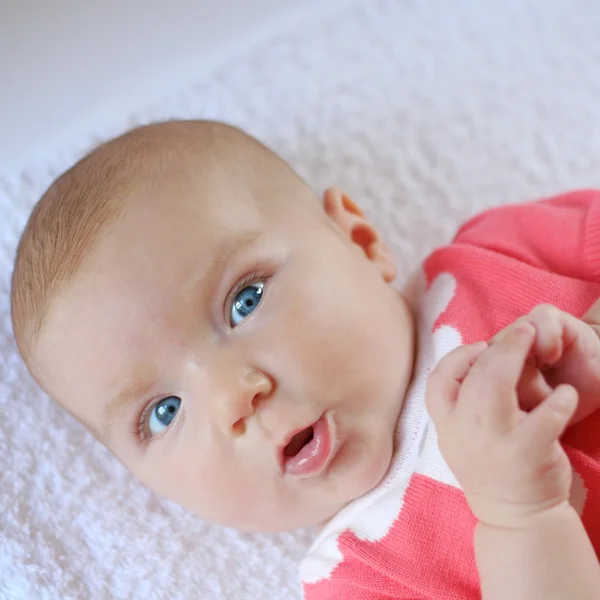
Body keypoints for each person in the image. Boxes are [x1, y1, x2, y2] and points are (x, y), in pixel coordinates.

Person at [10, 120, 600, 599]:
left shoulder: (493, 258)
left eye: (245, 301)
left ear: (360, 242)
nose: (232, 397)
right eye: (164, 411)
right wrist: (521, 516)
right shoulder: (363, 577)